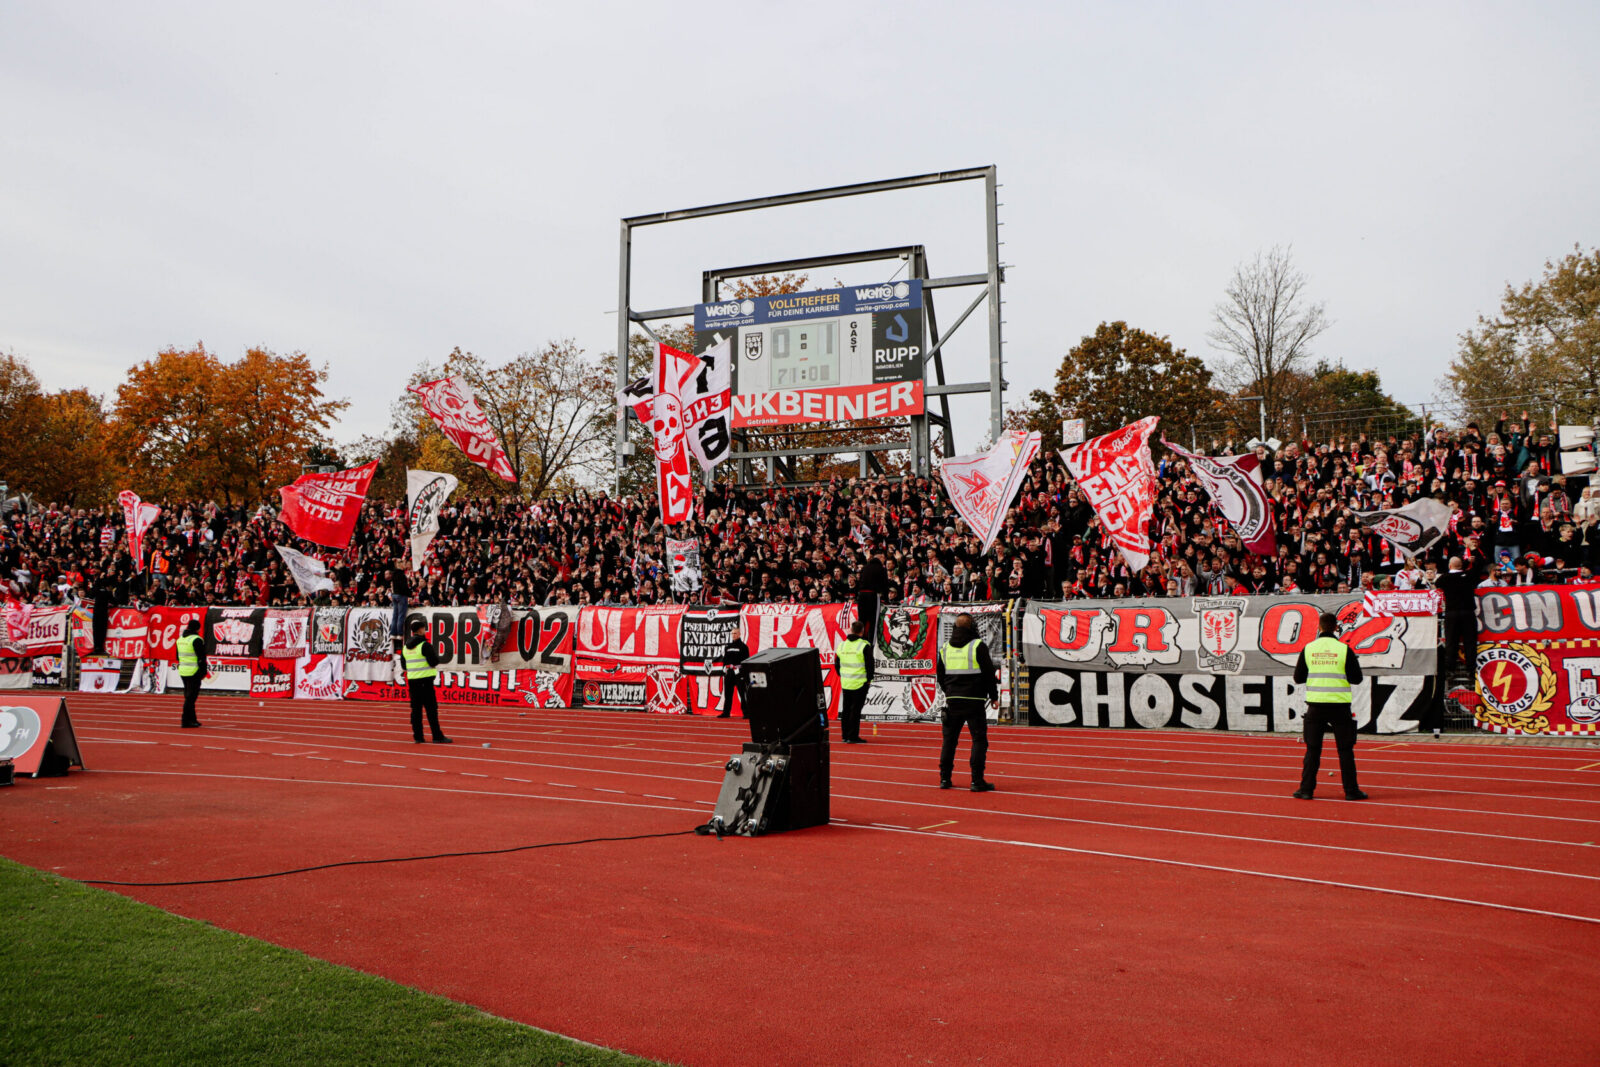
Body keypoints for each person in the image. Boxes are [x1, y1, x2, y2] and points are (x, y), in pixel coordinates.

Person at [1292, 612, 1366, 800]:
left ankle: (1306, 789)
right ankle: (1351, 791)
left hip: (1315, 706)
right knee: (1345, 750)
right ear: (1335, 627)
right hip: (1339, 706)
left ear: (1319, 627)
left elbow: (1298, 678)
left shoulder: (1309, 648)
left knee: (1313, 749)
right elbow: (1357, 678)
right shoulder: (1343, 649)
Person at [935, 612, 998, 791]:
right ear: (972, 627)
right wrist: (994, 696)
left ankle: (945, 779)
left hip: (953, 701)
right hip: (974, 701)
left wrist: (949, 691)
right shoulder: (978, 645)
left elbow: (940, 675)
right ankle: (977, 781)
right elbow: (989, 673)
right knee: (979, 740)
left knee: (949, 740)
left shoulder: (945, 648)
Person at [403, 618, 452, 744]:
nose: (425, 630)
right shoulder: (425, 645)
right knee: (431, 710)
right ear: (420, 630)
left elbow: (404, 666)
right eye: (424, 628)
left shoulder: (405, 647)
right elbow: (434, 662)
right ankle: (437, 736)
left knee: (416, 711)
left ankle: (418, 737)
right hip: (426, 682)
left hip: (413, 682)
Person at [834, 619, 875, 744]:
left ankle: (845, 735)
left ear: (851, 630)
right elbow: (870, 665)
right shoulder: (864, 645)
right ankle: (853, 736)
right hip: (860, 683)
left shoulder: (842, 645)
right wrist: (868, 680)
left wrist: (842, 676)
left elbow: (837, 664)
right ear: (862, 632)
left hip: (846, 682)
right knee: (855, 711)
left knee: (846, 710)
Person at [175, 619, 206, 729]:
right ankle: (185, 720)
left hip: (183, 670)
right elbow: (202, 657)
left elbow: (177, 656)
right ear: (198, 628)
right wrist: (203, 671)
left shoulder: (180, 639)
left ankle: (192, 719)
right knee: (191, 697)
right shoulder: (197, 639)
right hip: (194, 671)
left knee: (189, 696)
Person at [719, 632, 748, 718]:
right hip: (729, 673)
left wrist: (739, 668)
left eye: (735, 633)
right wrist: (725, 667)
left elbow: (746, 661)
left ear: (739, 634)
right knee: (727, 694)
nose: (734, 635)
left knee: (742, 694)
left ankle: (746, 713)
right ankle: (726, 713)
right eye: (732, 634)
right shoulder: (728, 647)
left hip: (739, 673)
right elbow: (725, 659)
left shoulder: (744, 647)